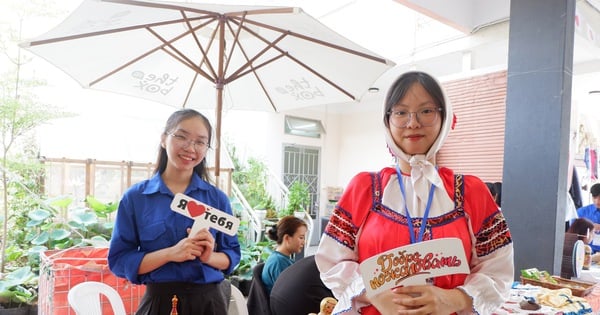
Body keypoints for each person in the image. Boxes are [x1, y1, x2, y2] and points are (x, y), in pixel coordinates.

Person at [315, 71, 514, 314]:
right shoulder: (364, 189)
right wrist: (374, 293)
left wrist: (453, 299)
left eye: (426, 111)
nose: (413, 123)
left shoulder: (472, 193)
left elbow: (498, 270)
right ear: (387, 120)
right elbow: (332, 261)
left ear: (445, 116)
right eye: (401, 112)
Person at [107, 109, 241, 315]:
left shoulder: (217, 199)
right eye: (182, 136)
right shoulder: (136, 198)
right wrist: (170, 254)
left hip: (209, 305)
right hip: (159, 303)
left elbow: (231, 255)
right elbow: (119, 261)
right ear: (163, 139)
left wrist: (208, 257)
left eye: (200, 142)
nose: (190, 147)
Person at [261, 215, 308, 294]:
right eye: (301, 237)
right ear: (287, 238)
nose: (304, 242)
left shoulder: (282, 259)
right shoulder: (279, 262)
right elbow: (289, 295)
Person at [576, 183, 600, 252]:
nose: (597, 201)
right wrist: (588, 229)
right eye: (595, 198)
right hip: (585, 252)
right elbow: (573, 233)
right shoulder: (581, 212)